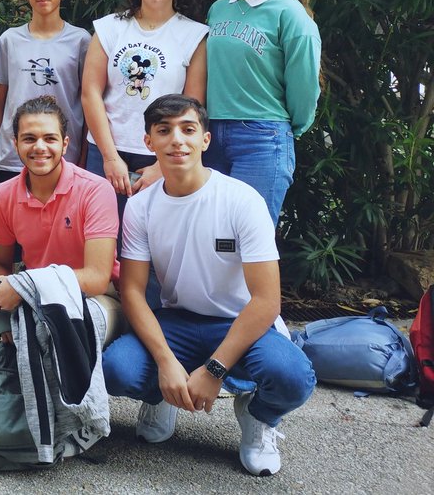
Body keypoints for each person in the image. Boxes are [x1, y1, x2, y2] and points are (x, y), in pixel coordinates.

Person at [102, 95, 316, 477]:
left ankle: (258, 416)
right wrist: (167, 363)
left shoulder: (240, 201)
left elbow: (267, 301)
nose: (177, 140)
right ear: (149, 142)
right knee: (118, 369)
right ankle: (163, 395)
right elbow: (132, 291)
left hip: (240, 321)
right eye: (164, 131)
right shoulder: (141, 206)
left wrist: (214, 370)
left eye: (188, 129)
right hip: (177, 321)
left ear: (205, 139)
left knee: (292, 376)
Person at [205, 0, 321, 223]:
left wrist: (289, 129)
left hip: (262, 137)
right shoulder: (218, 9)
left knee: (251, 241)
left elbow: (304, 85)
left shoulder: (290, 14)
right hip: (209, 135)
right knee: (213, 238)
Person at [81, 0, 208, 204]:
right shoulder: (109, 28)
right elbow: (90, 92)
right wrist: (110, 157)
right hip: (105, 149)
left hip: (164, 153)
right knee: (104, 237)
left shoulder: (194, 35)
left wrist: (161, 166)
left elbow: (193, 106)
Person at [0, 95, 121, 341]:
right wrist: (3, 300)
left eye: (50, 138)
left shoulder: (95, 190)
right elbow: (0, 264)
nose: (40, 147)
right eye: (29, 138)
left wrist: (25, 286)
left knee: (62, 332)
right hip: (36, 295)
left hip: (96, 299)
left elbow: (97, 279)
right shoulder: (3, 195)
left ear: (65, 143)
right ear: (15, 143)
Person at [0, 0, 91, 189]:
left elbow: (88, 102)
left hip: (61, 156)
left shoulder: (81, 40)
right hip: (12, 157)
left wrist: (82, 156)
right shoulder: (9, 40)